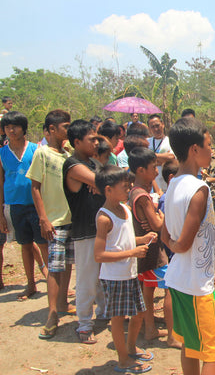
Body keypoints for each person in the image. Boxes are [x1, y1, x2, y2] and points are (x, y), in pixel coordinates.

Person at [162, 117, 215, 374]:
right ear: (194, 149)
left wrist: (171, 243)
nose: (212, 151)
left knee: (190, 345)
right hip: (194, 285)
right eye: (209, 145)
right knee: (214, 353)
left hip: (179, 278)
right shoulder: (199, 189)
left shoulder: (173, 184)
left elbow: (165, 232)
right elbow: (184, 243)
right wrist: (175, 245)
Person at [93, 165, 156, 374]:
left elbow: (124, 240)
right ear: (108, 190)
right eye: (124, 186)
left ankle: (130, 348)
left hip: (129, 273)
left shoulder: (125, 209)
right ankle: (122, 359)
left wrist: (142, 240)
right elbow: (99, 255)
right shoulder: (104, 218)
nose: (129, 188)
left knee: (139, 313)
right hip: (114, 277)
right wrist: (132, 253)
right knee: (118, 320)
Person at [27, 110, 76, 339]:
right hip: (54, 220)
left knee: (66, 265)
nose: (68, 130)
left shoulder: (68, 154)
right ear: (52, 129)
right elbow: (35, 187)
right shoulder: (42, 154)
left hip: (71, 218)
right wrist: (43, 218)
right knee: (54, 268)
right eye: (65, 126)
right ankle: (52, 313)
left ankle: (64, 302)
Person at [128, 147, 180, 349]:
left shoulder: (135, 192)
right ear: (141, 170)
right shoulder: (142, 196)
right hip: (153, 252)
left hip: (145, 253)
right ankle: (172, 335)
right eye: (153, 168)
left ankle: (150, 328)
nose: (157, 172)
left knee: (148, 287)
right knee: (171, 287)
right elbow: (158, 226)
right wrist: (165, 216)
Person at [63, 119, 106, 344]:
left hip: (100, 228)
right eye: (92, 139)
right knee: (87, 279)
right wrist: (100, 182)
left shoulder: (91, 163)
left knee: (101, 276)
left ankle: (104, 313)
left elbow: (107, 180)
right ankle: (84, 324)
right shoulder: (72, 165)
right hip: (85, 229)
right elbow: (104, 181)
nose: (96, 142)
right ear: (77, 142)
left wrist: (101, 182)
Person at [0, 111, 48, 301]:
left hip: (37, 205)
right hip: (14, 206)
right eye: (7, 127)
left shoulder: (36, 150)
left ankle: (54, 282)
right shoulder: (2, 154)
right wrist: (1, 213)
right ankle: (31, 284)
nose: (11, 130)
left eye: (15, 126)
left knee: (44, 245)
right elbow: (1, 182)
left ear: (24, 128)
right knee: (25, 245)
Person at [147, 114, 175, 194]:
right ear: (149, 128)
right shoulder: (147, 142)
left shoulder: (170, 141)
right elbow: (145, 160)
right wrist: (163, 158)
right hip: (152, 186)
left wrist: (152, 156)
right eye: (152, 127)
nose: (156, 129)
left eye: (157, 125)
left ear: (162, 125)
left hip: (167, 185)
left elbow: (171, 158)